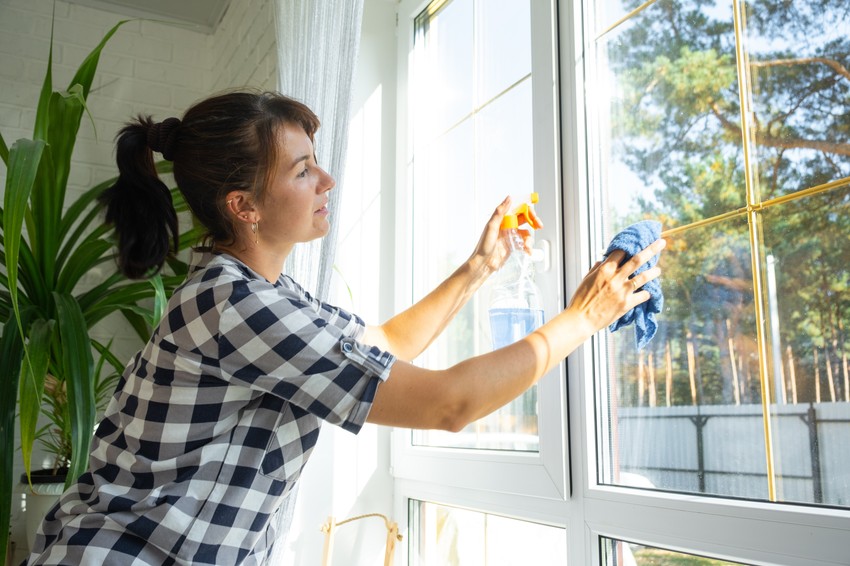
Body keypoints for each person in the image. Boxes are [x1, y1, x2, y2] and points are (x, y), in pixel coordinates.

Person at [26, 90, 665, 565]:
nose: (326, 180)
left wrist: (477, 269)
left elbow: (378, 348)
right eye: (302, 170)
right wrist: (584, 317)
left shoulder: (267, 294)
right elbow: (449, 405)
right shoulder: (234, 305)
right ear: (243, 206)